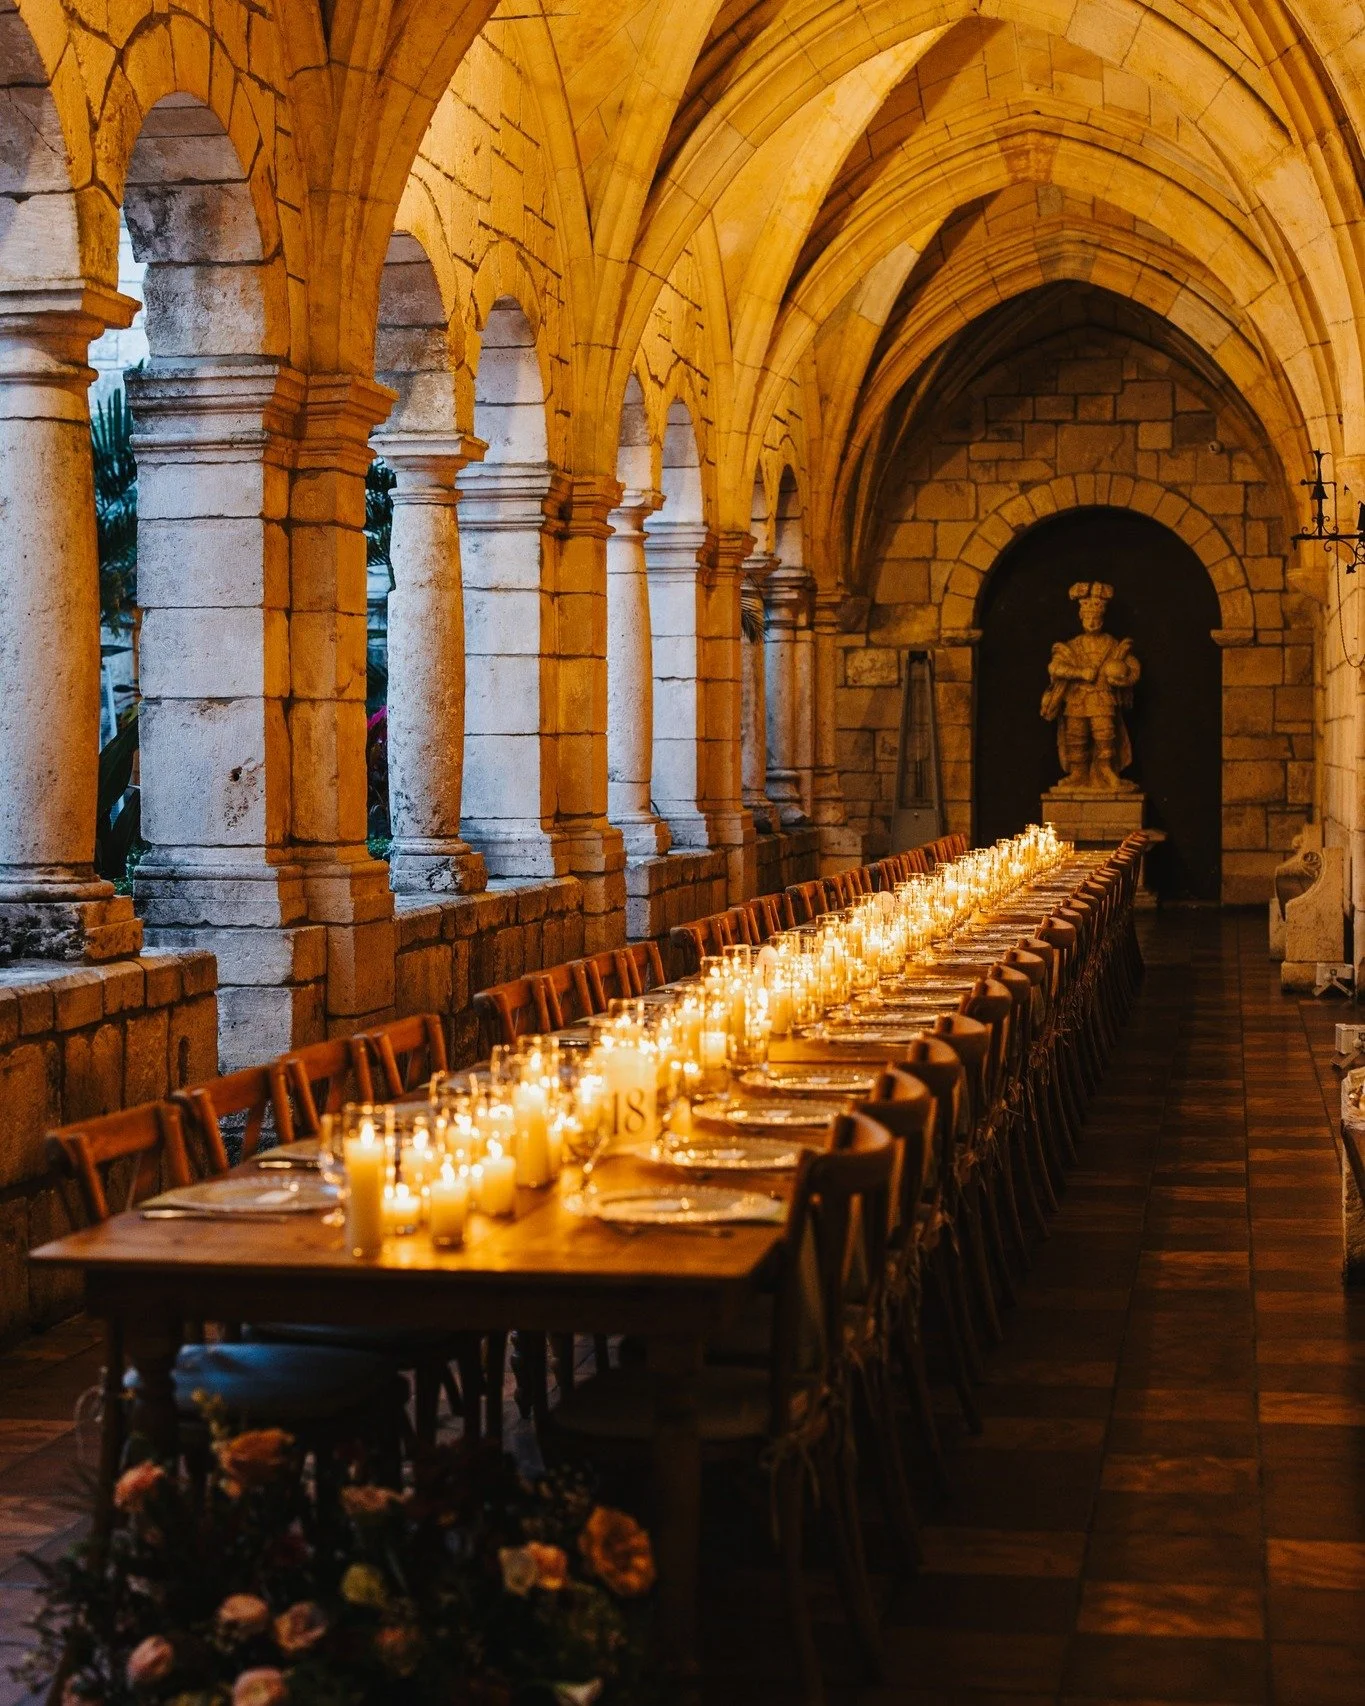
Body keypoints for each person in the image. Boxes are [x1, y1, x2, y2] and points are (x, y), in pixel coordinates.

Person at [1040, 581, 1140, 791]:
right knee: (1076, 736)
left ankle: (1106, 770)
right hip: (1076, 698)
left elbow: (1132, 667)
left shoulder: (1113, 644)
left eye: (1096, 618)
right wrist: (1080, 673)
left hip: (1102, 698)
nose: (1092, 622)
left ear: (1102, 618)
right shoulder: (1071, 646)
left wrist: (1123, 678)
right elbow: (1054, 667)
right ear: (1081, 617)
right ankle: (1078, 773)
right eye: (1088, 618)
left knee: (1105, 734)